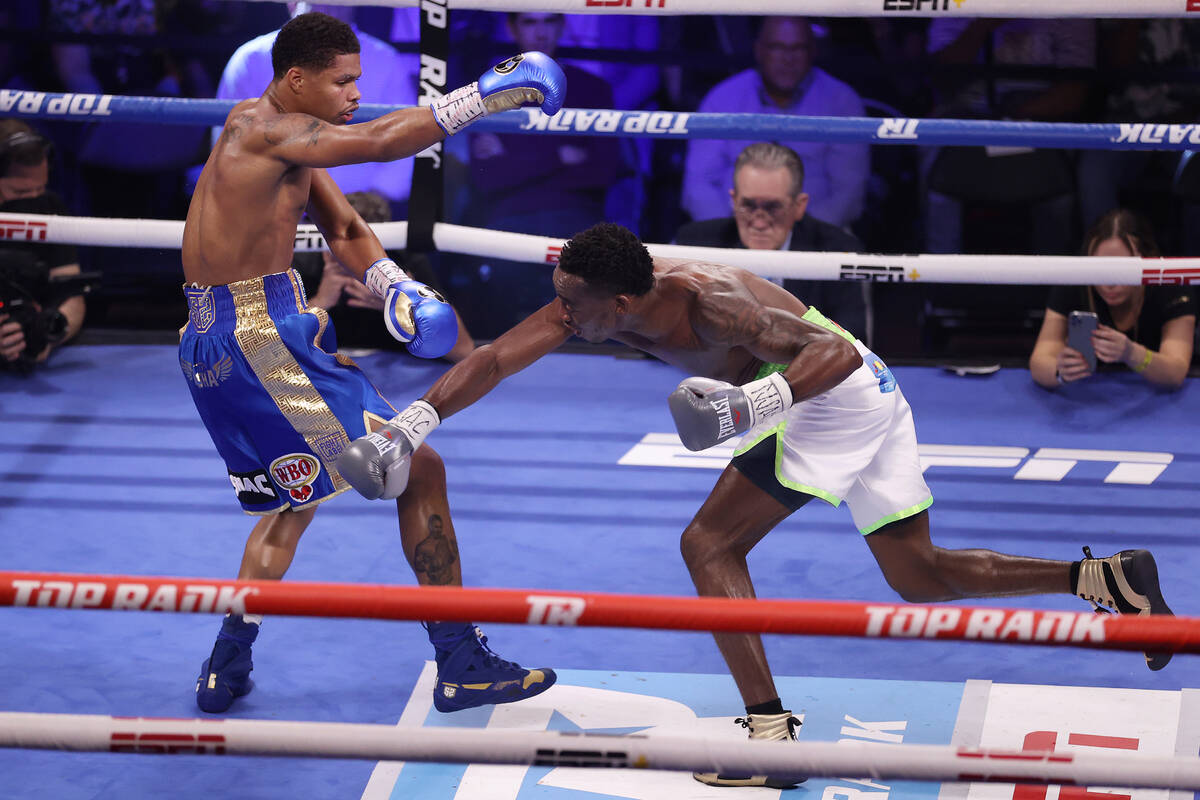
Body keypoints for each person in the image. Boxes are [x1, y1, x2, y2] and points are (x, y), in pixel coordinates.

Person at [339, 222, 1175, 789]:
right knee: (917, 576)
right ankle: (1101, 577)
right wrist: (412, 425)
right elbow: (493, 361)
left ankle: (772, 738)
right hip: (857, 396)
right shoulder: (586, 302)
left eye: (574, 302)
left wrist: (752, 409)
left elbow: (836, 353)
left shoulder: (711, 300)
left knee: (708, 546)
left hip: (833, 394)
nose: (561, 310)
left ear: (621, 303)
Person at [179, 11, 566, 714]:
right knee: (418, 466)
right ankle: (461, 661)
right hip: (262, 339)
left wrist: (394, 285)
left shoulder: (273, 131)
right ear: (295, 80)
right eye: (342, 82)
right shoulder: (265, 131)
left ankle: (227, 661)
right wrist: (480, 97)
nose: (356, 93)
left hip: (220, 343)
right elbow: (382, 142)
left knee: (303, 497)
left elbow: (343, 224)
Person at [466, 12, 624, 334]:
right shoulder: (487, 92)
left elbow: (603, 170)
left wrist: (515, 159)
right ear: (511, 28)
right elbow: (486, 178)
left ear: (562, 26)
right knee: (500, 293)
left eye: (549, 21)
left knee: (588, 282)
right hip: (508, 218)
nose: (540, 33)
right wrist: (559, 154)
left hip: (575, 217)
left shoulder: (593, 89)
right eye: (529, 22)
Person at [214, 3, 419, 216]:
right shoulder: (250, 59)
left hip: (360, 214)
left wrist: (375, 199)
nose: (328, 4)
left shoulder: (387, 61)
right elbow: (228, 151)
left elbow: (402, 142)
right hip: (268, 210)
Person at [681, 16, 868, 230]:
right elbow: (697, 185)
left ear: (813, 51)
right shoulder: (722, 98)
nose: (788, 59)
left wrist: (795, 240)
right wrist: (733, 235)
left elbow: (848, 194)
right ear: (758, 50)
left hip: (817, 241)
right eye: (777, 48)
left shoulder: (842, 101)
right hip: (729, 236)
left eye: (798, 48)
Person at [675, 142, 870, 345]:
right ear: (734, 201)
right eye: (748, 206)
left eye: (774, 207)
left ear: (799, 206)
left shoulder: (836, 250)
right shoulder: (697, 244)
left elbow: (850, 343)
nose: (759, 222)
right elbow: (665, 335)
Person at [1029, 209, 1195, 391]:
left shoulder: (1170, 285)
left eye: (1120, 269)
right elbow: (1039, 361)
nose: (1109, 283)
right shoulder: (1074, 279)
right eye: (1100, 269)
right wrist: (1060, 372)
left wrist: (1132, 354)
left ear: (1146, 261)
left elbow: (1175, 373)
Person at [301, 189, 475, 362]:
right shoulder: (305, 258)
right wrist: (319, 303)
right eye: (340, 253)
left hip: (401, 374)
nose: (350, 265)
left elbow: (463, 350)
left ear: (379, 249)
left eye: (362, 256)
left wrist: (402, 307)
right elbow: (277, 352)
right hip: (324, 372)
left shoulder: (402, 261)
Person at [0, 120, 88, 370]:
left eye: (39, 189)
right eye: (18, 193)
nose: (31, 202)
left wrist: (47, 334)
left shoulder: (49, 206)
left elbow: (72, 296)